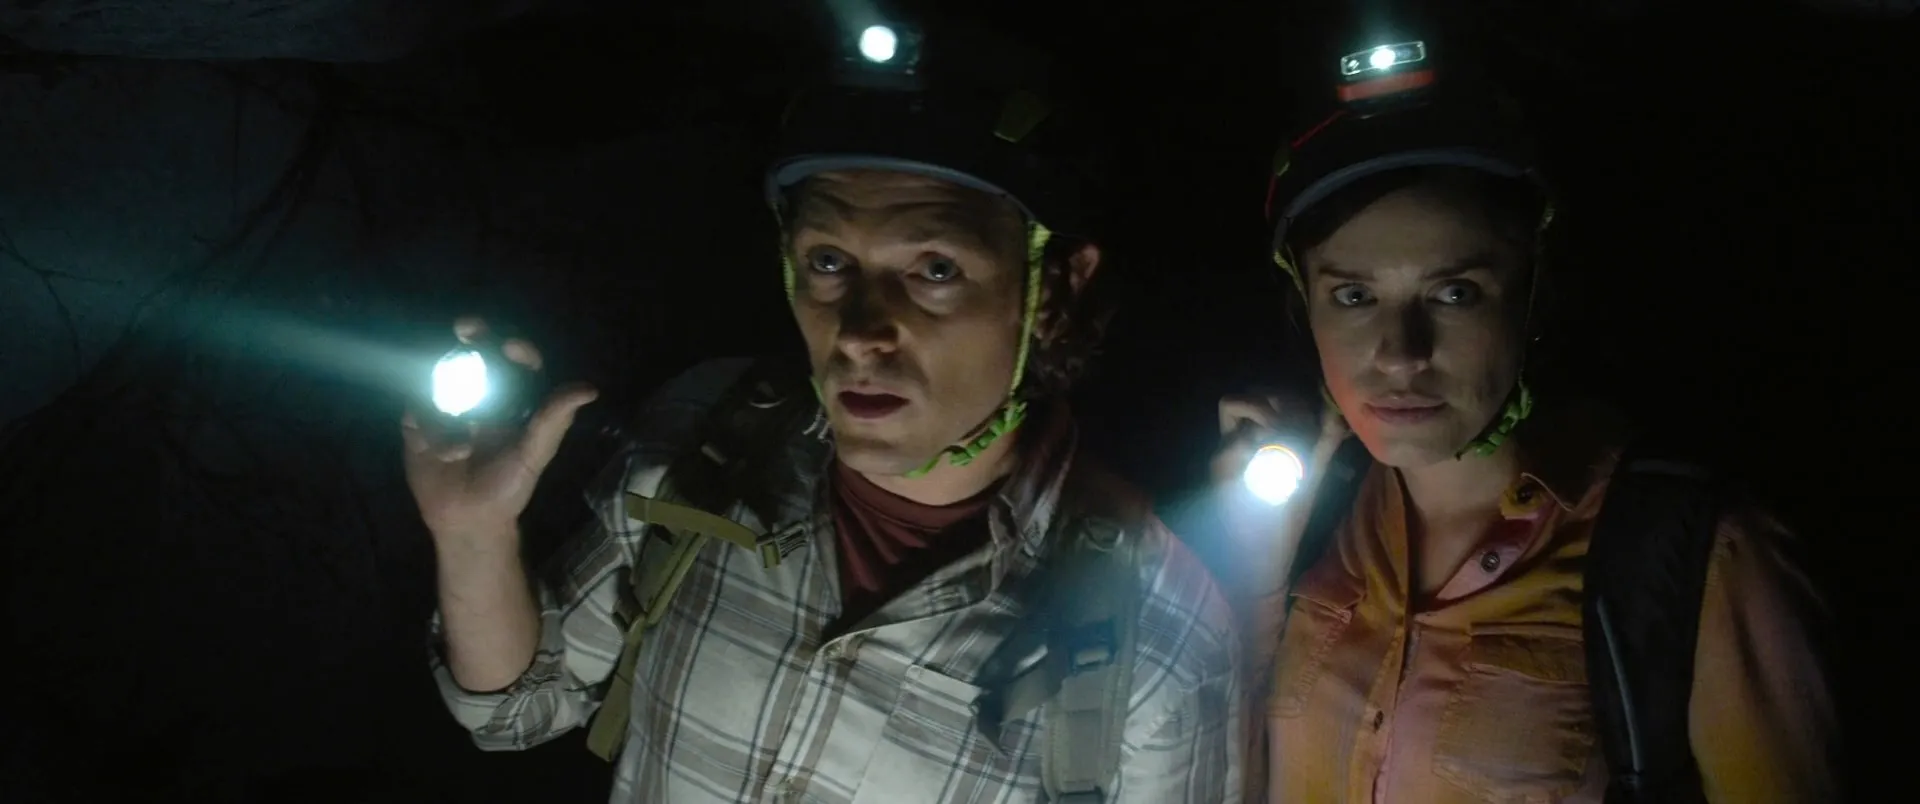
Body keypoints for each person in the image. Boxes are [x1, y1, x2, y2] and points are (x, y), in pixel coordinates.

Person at [402, 17, 1242, 804]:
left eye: (936, 270)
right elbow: (515, 709)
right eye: (830, 261)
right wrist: (472, 533)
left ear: (1054, 289)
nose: (862, 331)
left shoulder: (1160, 642)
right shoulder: (707, 431)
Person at [1189, 31, 1840, 804]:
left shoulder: (1692, 555)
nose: (1400, 355)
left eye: (1454, 292)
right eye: (1354, 296)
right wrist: (1253, 565)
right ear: (1305, 308)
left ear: (1534, 294)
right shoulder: (1309, 521)